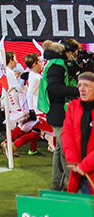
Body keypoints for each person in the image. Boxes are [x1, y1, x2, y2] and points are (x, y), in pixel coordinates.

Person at [44, 39, 80, 190]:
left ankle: (56, 185)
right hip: (59, 112)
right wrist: (79, 90)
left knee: (60, 148)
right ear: (67, 51)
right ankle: (74, 187)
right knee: (67, 150)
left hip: (57, 111)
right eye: (73, 53)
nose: (74, 56)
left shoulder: (56, 63)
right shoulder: (57, 65)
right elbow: (54, 89)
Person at [62, 71, 94, 192]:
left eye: (87, 85)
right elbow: (67, 133)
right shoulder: (73, 106)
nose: (82, 89)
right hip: (77, 169)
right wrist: (72, 159)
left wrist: (85, 165)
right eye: (80, 85)